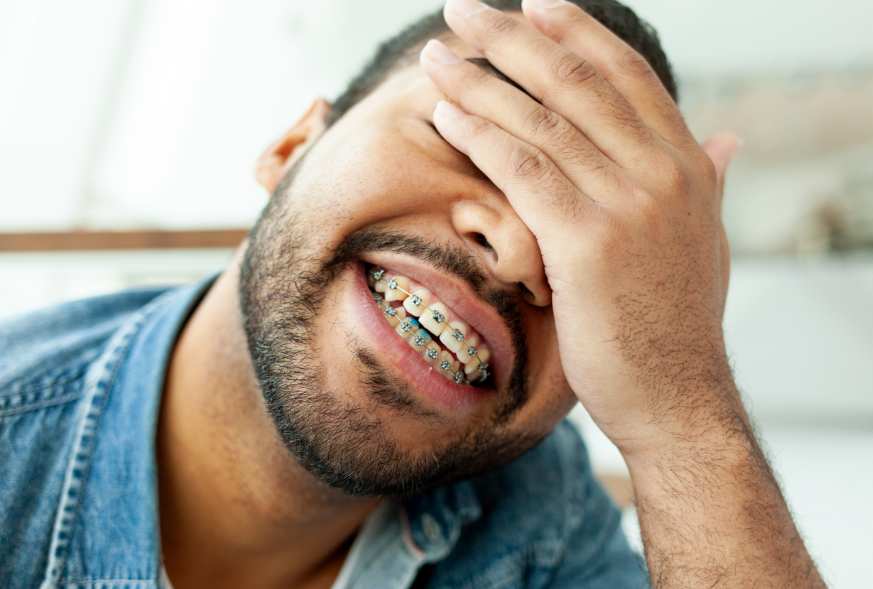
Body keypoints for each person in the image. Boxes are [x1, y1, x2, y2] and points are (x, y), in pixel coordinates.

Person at [0, 0, 827, 587]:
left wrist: (680, 413)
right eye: (459, 136)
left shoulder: (541, 514)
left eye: (579, 240)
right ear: (292, 147)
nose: (515, 249)